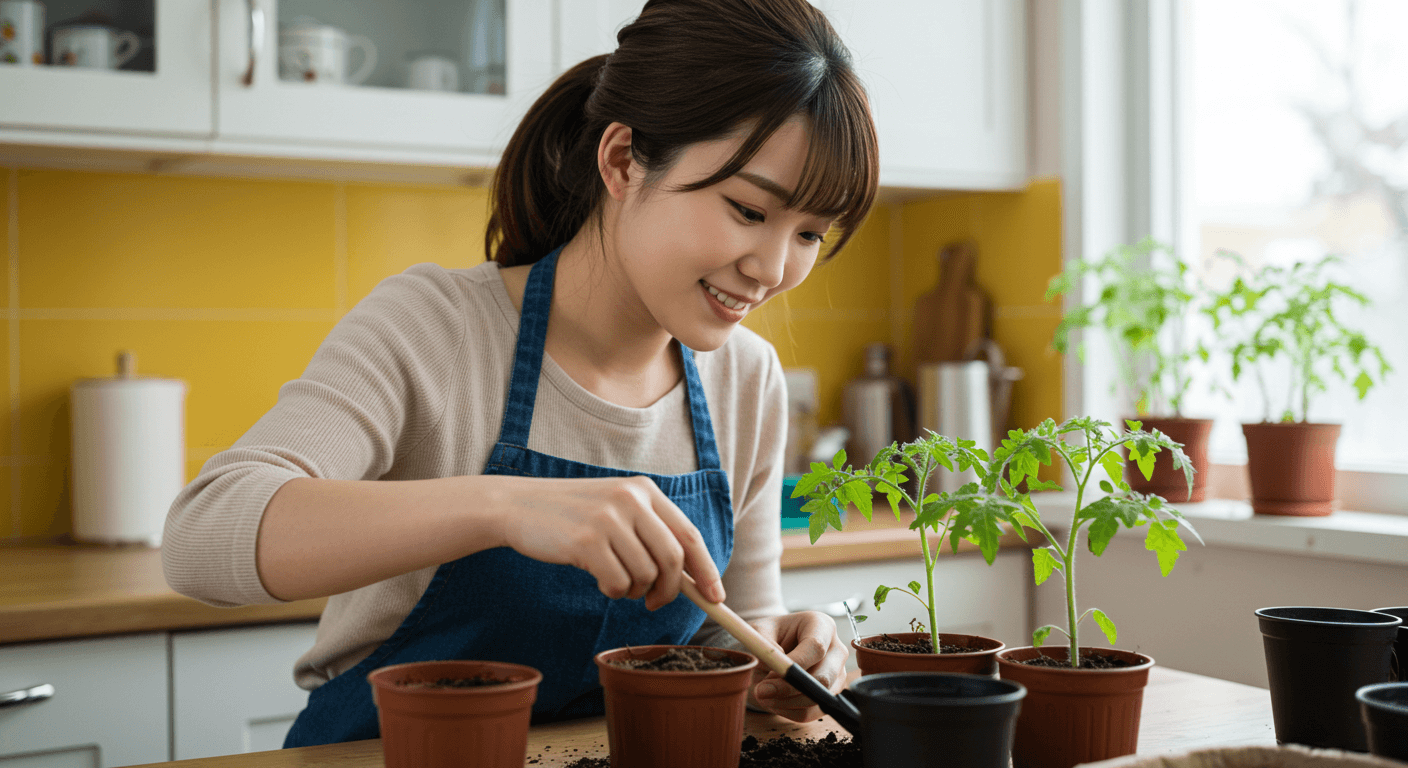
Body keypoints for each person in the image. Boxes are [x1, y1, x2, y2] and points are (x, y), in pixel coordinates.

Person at [162, 0, 878, 747]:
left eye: (808, 234)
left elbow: (733, 629)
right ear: (623, 161)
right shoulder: (436, 326)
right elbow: (202, 535)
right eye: (746, 209)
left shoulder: (747, 379)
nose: (772, 269)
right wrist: (502, 507)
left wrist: (783, 659)